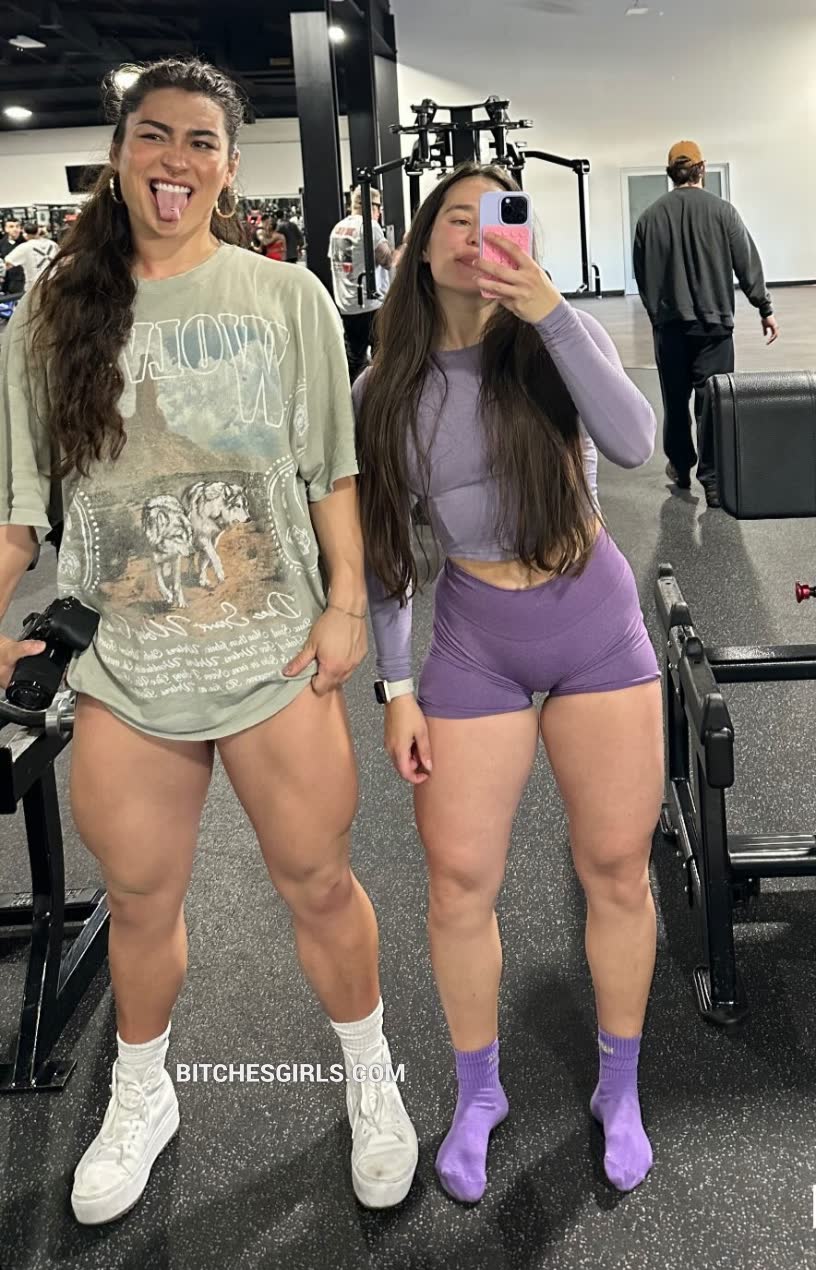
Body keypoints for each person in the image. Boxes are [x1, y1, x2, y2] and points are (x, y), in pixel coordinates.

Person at [0, 57, 417, 1225]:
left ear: (230, 167)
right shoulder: (49, 314)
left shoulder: (285, 297)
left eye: (200, 141)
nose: (174, 160)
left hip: (272, 652)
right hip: (127, 664)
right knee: (139, 898)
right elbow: (19, 513)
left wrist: (347, 603)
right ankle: (143, 1090)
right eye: (153, 135)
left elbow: (332, 471)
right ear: (119, 153)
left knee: (319, 880)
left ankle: (370, 1074)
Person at [354, 161, 664, 1203]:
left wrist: (553, 310)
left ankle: (620, 1084)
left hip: (593, 622)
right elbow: (386, 551)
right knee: (457, 881)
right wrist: (395, 684)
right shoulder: (382, 390)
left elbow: (635, 444)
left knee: (616, 867)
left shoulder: (551, 341)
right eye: (454, 216)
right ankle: (478, 1091)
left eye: (495, 215)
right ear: (417, 245)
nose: (473, 233)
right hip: (476, 640)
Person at [633, 140, 779, 507]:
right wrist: (764, 307)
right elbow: (746, 262)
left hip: (670, 327)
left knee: (675, 401)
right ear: (702, 168)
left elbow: (643, 275)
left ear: (670, 174)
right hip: (714, 328)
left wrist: (657, 315)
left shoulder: (649, 218)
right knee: (713, 403)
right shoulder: (723, 212)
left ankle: (681, 467)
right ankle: (713, 482)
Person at [328, 187, 393, 381]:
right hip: (369, 304)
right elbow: (387, 260)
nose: (379, 213)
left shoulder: (338, 229)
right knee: (383, 359)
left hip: (347, 305)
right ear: (371, 206)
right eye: (379, 207)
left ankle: (354, 396)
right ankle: (378, 397)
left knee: (355, 360)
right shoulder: (369, 226)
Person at [3, 222, 58, 295]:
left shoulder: (24, 247)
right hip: (54, 284)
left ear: (25, 234)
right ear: (38, 231)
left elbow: (7, 263)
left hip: (35, 288)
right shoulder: (53, 244)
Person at [0, 218, 25, 295]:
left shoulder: (26, 243)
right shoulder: (1, 244)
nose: (15, 229)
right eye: (11, 227)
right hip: (8, 283)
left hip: (24, 281)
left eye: (17, 226)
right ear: (6, 229)